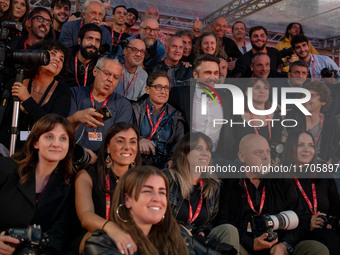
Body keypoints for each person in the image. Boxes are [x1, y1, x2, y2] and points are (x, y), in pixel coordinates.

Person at [217, 134, 329, 255]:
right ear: (242, 156)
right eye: (258, 153)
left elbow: (302, 216)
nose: (266, 157)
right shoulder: (229, 181)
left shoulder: (281, 178)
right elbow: (223, 222)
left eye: (268, 152)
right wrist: (251, 243)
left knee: (316, 249)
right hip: (245, 245)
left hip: (278, 246)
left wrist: (286, 244)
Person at [0, 113, 75, 254]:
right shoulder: (6, 168)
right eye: (49, 137)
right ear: (35, 143)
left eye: (63, 138)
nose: (56, 144)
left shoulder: (67, 184)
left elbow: (59, 234)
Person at [83, 166, 189, 255]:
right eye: (147, 191)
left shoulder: (178, 236)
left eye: (162, 192)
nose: (157, 198)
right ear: (127, 200)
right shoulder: (102, 243)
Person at [163, 132, 239, 254]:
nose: (205, 153)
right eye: (199, 148)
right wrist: (178, 228)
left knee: (228, 230)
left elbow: (209, 221)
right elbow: (157, 216)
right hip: (172, 237)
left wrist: (202, 231)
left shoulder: (212, 185)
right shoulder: (167, 178)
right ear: (185, 152)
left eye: (208, 149)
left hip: (198, 240)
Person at [75, 122, 142, 254]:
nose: (127, 147)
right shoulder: (87, 175)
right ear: (108, 147)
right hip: (95, 238)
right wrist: (112, 228)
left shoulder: (143, 179)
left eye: (133, 142)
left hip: (133, 239)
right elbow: (85, 216)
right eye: (120, 141)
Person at [0, 40, 71, 152]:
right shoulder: (17, 82)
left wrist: (27, 100)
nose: (57, 59)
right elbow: (3, 120)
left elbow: (54, 126)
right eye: (53, 54)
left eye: (61, 59)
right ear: (38, 56)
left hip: (41, 151)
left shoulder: (63, 90)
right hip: (7, 146)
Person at [280, 130, 340, 255]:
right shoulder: (281, 177)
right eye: (301, 144)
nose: (307, 149)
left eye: (311, 145)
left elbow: (336, 206)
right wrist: (308, 223)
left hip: (326, 231)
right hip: (295, 235)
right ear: (291, 147)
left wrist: (332, 222)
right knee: (329, 240)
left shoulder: (322, 173)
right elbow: (284, 213)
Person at [67, 56, 133, 154]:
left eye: (116, 77)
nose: (110, 79)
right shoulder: (74, 94)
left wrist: (99, 160)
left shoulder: (123, 105)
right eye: (107, 73)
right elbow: (60, 128)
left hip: (104, 161)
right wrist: (76, 117)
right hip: (72, 155)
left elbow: (121, 142)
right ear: (95, 71)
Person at [132, 70, 185, 169]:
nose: (163, 92)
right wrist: (139, 139)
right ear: (147, 89)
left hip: (164, 166)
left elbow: (179, 143)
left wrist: (172, 159)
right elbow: (125, 133)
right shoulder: (135, 110)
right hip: (138, 162)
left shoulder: (176, 116)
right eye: (158, 87)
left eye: (166, 88)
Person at [284, 81, 340, 163]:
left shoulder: (331, 122)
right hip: (296, 163)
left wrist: (332, 161)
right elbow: (285, 143)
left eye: (311, 96)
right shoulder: (292, 117)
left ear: (323, 101)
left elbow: (335, 147)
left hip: (322, 165)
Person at [232, 78, 282, 160]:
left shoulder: (276, 117)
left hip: (268, 162)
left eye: (266, 88)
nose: (262, 91)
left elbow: (277, 145)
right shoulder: (237, 117)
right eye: (257, 88)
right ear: (247, 92)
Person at [65, 23, 102, 87]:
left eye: (97, 40)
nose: (93, 44)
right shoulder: (65, 58)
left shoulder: (100, 64)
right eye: (89, 38)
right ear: (79, 41)